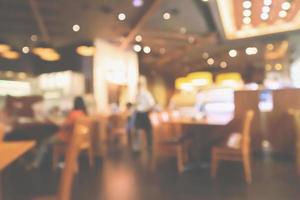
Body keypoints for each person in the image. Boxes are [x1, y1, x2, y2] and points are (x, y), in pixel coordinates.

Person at [29, 96, 88, 169]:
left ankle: (36, 163)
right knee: (50, 142)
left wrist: (55, 122)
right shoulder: (84, 114)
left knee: (45, 142)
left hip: (66, 138)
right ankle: (51, 161)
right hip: (76, 139)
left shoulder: (73, 114)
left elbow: (64, 126)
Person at [133, 76, 155, 152]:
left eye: (140, 83)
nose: (139, 85)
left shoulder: (146, 93)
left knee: (148, 131)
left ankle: (149, 147)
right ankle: (137, 147)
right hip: (139, 114)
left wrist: (144, 108)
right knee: (138, 131)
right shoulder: (138, 94)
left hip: (143, 114)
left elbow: (151, 104)